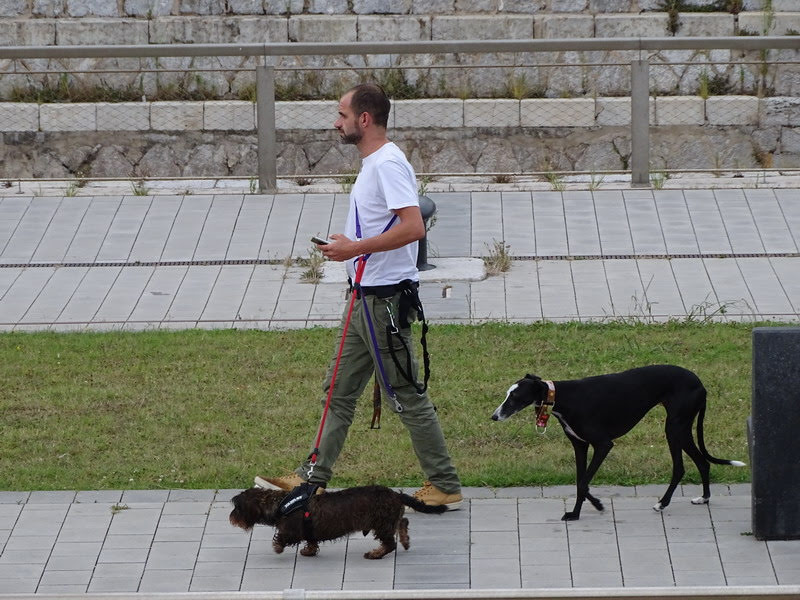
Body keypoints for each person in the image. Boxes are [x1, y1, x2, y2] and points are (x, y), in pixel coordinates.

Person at [255, 83, 462, 509]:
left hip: (383, 304)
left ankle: (444, 485)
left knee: (406, 396)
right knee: (338, 392)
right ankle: (312, 477)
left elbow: (413, 227)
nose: (337, 122)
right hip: (363, 300)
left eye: (342, 114)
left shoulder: (387, 165)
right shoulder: (375, 165)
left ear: (364, 119)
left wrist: (353, 248)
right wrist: (351, 244)